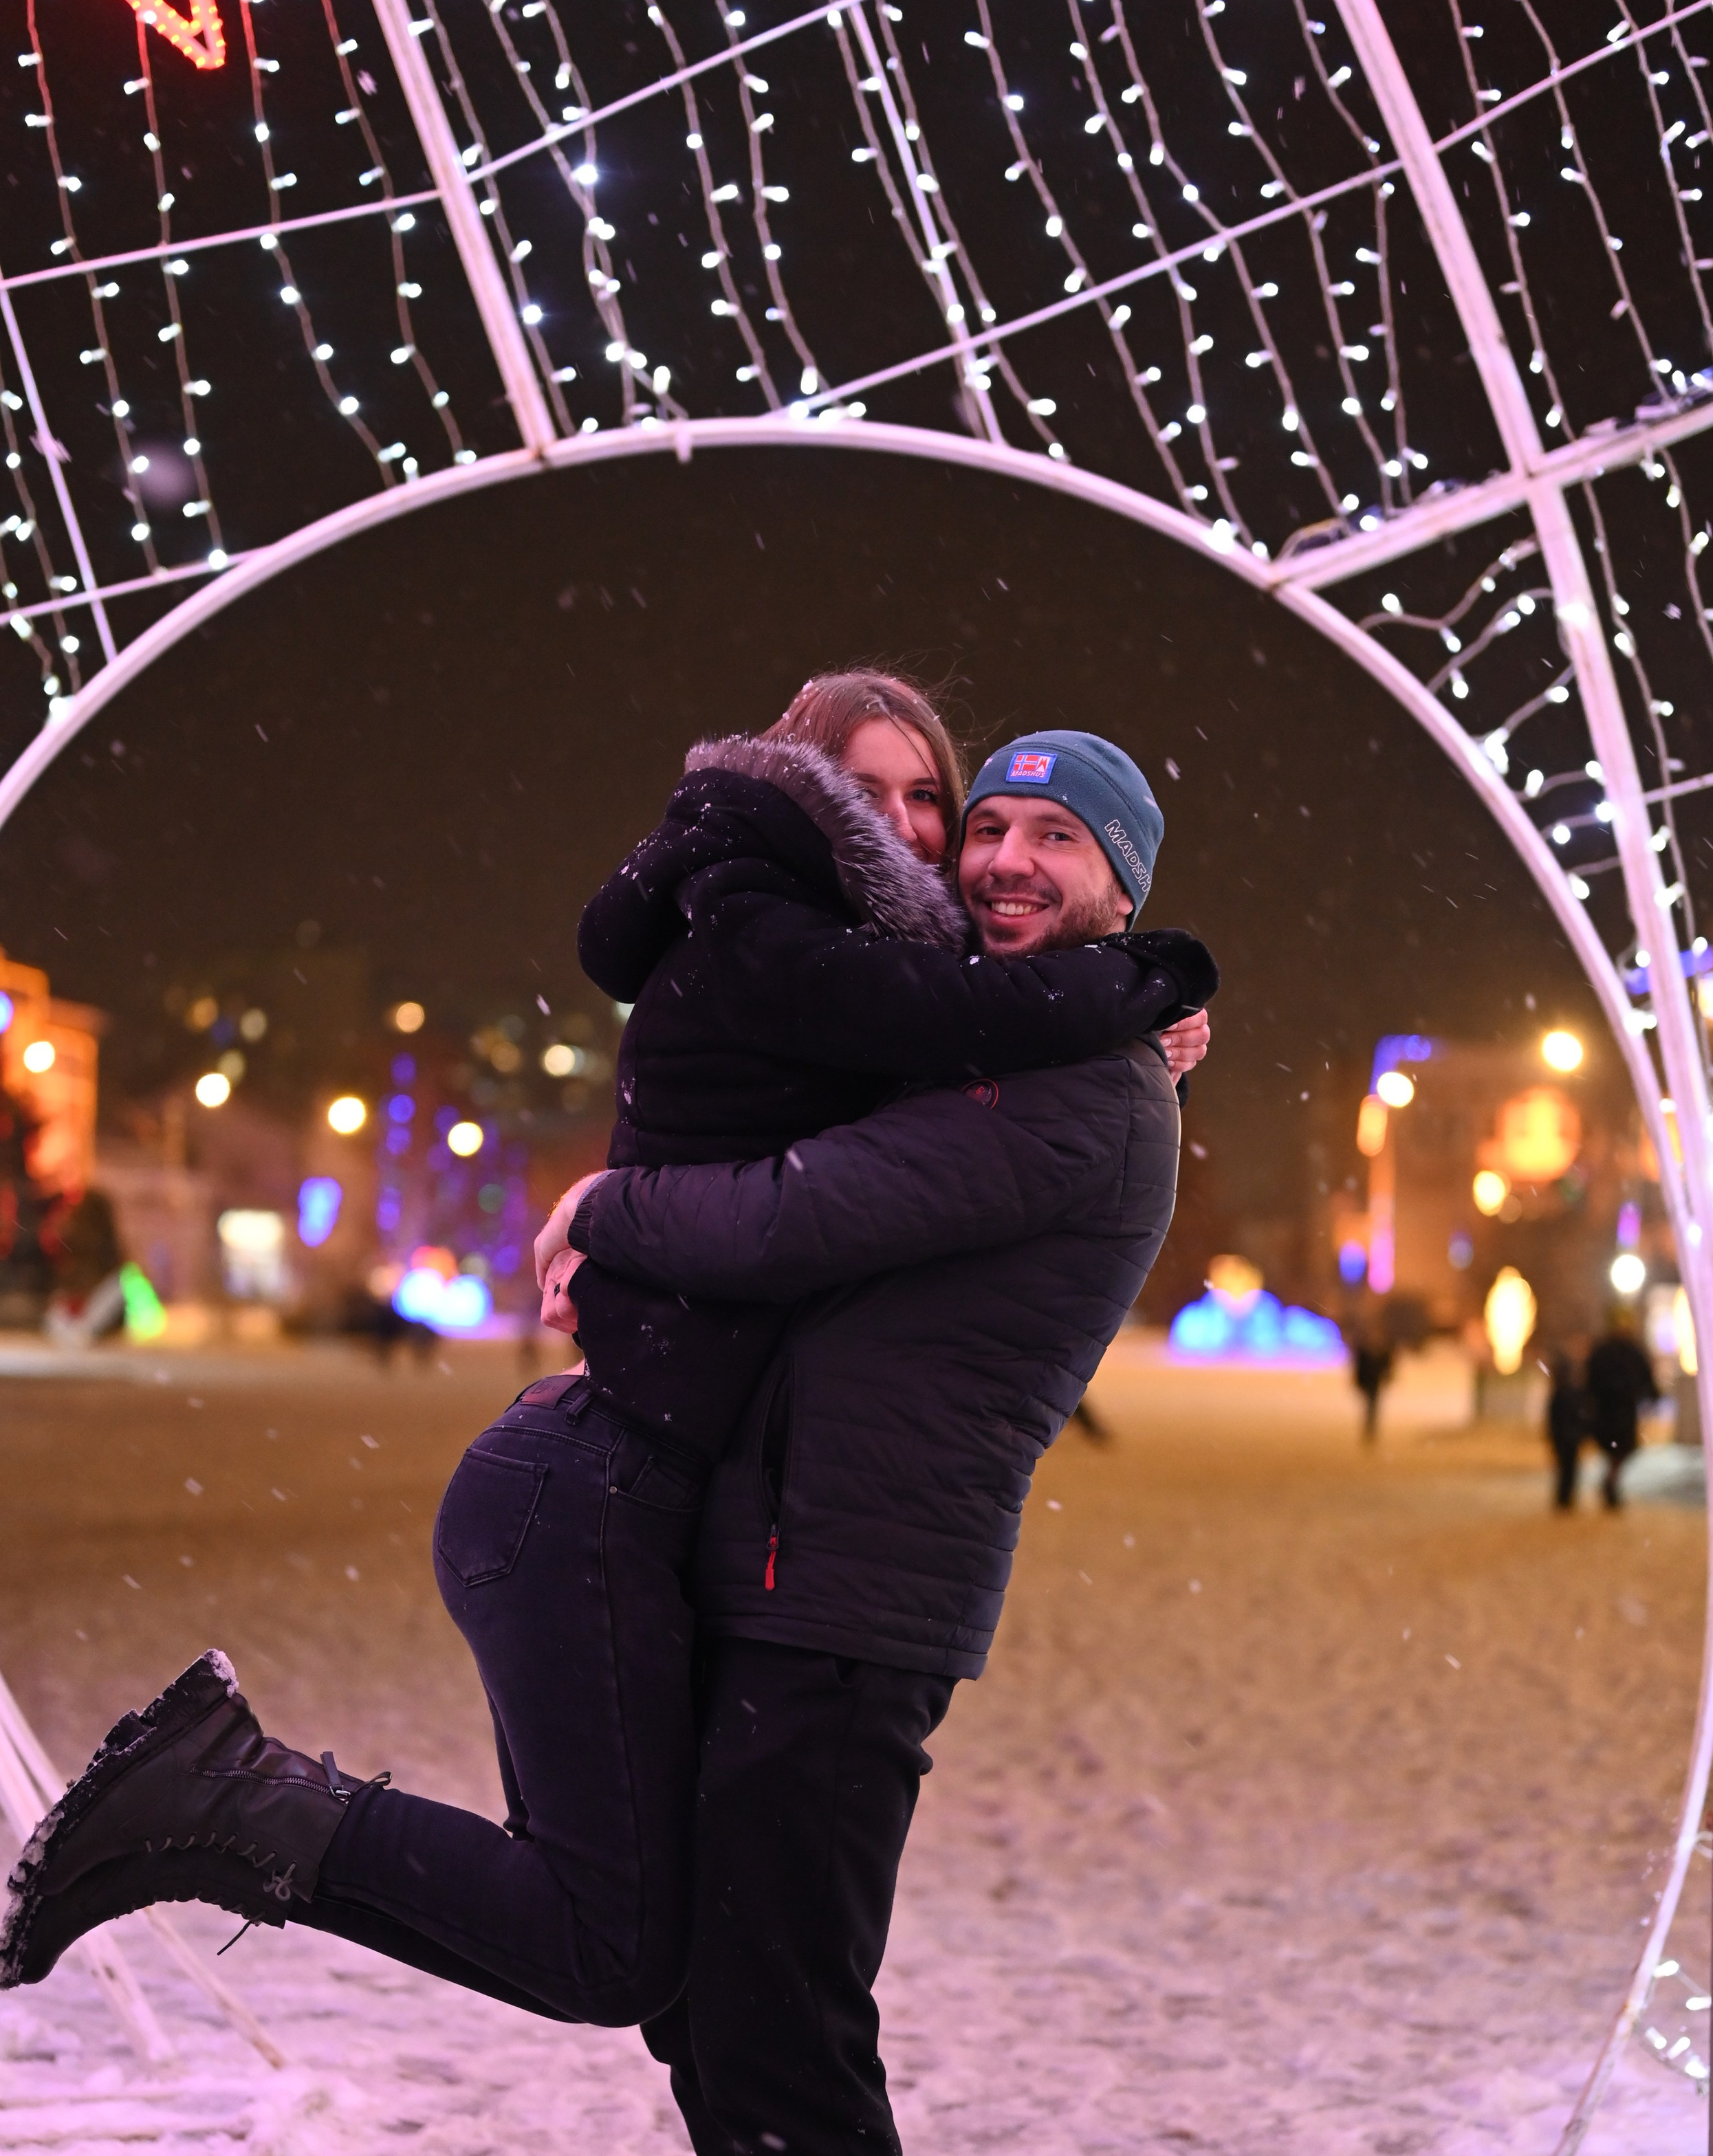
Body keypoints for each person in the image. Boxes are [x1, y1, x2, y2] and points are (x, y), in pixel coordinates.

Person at [0, 688, 1209, 2038]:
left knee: (633, 1941)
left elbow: (972, 1144)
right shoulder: (781, 948)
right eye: (887, 798)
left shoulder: (896, 1013)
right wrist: (1134, 984)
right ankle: (224, 1793)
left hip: (629, 1483)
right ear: (809, 798)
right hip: (587, 1483)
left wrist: (1129, 1030)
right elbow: (819, 1189)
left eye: (934, 802)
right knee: (612, 1946)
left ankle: (228, 1796)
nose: (922, 833)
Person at [547, 729, 1203, 2156]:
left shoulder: (1074, 1085)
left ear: (1122, 885)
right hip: (801, 1568)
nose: (1001, 861)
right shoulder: (1030, 1045)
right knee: (743, 2019)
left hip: (853, 1596)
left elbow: (783, 1214)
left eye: (1053, 840)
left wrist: (604, 1216)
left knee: (788, 2039)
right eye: (983, 828)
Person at [1585, 1312, 1659, 1510]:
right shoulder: (1623, 1351)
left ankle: (1611, 1482)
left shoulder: (1616, 1351)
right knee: (1618, 1448)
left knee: (1619, 1449)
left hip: (1616, 1409)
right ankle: (1611, 1483)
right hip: (1616, 1409)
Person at [1545, 1334, 1589, 1512]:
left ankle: (1564, 1498)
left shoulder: (1560, 1394)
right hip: (1569, 1435)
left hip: (1564, 1435)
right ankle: (1565, 1498)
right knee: (1569, 1468)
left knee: (1566, 1468)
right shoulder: (1571, 1393)